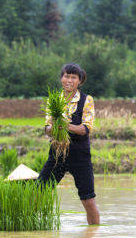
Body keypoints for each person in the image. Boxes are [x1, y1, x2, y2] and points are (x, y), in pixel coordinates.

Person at [38, 63, 100, 225]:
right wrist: (54, 127)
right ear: (61, 78)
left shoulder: (87, 100)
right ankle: (30, 229)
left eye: (73, 77)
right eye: (66, 76)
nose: (69, 80)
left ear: (79, 81)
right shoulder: (54, 100)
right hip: (57, 153)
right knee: (39, 192)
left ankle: (93, 235)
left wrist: (66, 126)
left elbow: (85, 129)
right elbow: (47, 128)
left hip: (79, 155)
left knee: (88, 199)